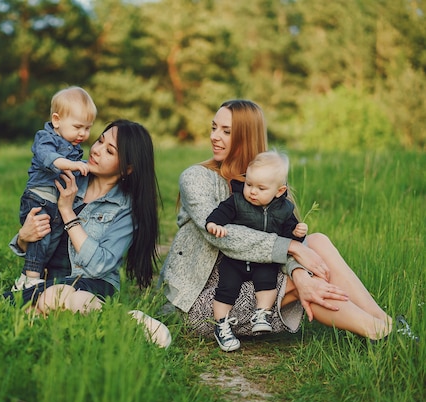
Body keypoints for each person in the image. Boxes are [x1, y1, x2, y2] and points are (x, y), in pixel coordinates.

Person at [159, 99, 418, 349]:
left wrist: (297, 269)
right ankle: (381, 333)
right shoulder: (196, 178)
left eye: (226, 131)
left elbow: (287, 237)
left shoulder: (268, 183)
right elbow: (222, 236)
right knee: (305, 278)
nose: (215, 136)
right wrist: (295, 258)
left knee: (317, 242)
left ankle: (388, 326)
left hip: (254, 278)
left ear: (247, 137)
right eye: (214, 127)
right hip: (204, 299)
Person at [7, 119, 172, 348]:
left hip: (93, 284)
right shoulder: (69, 175)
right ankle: (114, 323)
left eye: (109, 150)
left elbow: (99, 267)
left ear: (128, 168)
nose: (96, 150)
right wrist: (23, 238)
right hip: (50, 279)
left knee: (54, 297)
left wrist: (66, 211)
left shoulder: (125, 208)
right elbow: (38, 239)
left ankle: (123, 322)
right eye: (100, 140)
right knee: (45, 302)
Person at [205, 150, 308, 351]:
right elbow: (219, 213)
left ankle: (262, 313)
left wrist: (297, 233)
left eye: (261, 188)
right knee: (226, 289)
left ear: (279, 191)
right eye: (249, 184)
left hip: (264, 261)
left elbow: (288, 239)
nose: (252, 191)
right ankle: (221, 325)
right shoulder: (236, 201)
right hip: (235, 259)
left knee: (267, 284)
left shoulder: (284, 209)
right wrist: (213, 224)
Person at [13, 86, 96, 292]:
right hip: (38, 198)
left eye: (87, 128)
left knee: (52, 240)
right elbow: (49, 158)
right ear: (57, 120)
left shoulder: (74, 147)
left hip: (55, 202)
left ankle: (25, 278)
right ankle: (32, 278)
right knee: (40, 236)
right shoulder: (45, 138)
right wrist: (74, 165)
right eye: (78, 127)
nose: (83, 133)